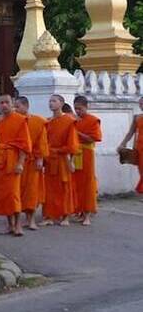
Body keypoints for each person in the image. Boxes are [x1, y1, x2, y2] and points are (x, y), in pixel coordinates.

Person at [0, 95, 31, 237]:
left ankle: (18, 225)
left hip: (13, 160)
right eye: (1, 103)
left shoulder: (20, 120)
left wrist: (20, 163)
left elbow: (25, 144)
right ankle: (10, 225)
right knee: (3, 194)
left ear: (12, 103)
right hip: (0, 160)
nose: (4, 105)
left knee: (13, 194)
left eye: (7, 102)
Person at [43, 94, 79, 226]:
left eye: (54, 101)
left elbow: (73, 145)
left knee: (64, 187)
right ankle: (49, 216)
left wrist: (70, 159)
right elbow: (44, 141)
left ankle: (65, 216)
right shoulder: (48, 122)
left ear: (61, 103)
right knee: (49, 188)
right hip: (50, 159)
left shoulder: (69, 121)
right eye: (50, 101)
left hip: (63, 159)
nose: (51, 103)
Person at [14, 96, 49, 230]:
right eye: (15, 107)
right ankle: (24, 219)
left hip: (33, 160)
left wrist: (40, 158)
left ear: (26, 106)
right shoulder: (14, 121)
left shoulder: (38, 121)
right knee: (20, 190)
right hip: (18, 160)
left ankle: (32, 219)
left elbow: (42, 141)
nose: (15, 109)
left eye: (18, 107)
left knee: (32, 190)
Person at [73, 96, 102, 226]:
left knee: (88, 183)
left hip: (87, 154)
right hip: (76, 153)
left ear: (86, 107)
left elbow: (93, 139)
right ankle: (80, 211)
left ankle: (88, 214)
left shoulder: (93, 120)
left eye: (80, 109)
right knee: (77, 183)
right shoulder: (74, 121)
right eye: (76, 109)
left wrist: (78, 134)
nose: (78, 111)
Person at [117, 97, 143, 193]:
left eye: (142, 104)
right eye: (140, 104)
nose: (141, 106)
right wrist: (122, 144)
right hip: (140, 148)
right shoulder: (137, 117)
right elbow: (130, 133)